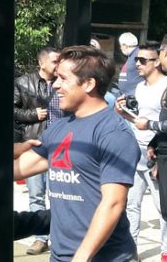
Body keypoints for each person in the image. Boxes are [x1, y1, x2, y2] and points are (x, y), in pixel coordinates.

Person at [14, 45, 140, 261]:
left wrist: (81, 257)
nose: (56, 86)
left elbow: (113, 203)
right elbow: (18, 169)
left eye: (63, 79)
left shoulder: (114, 132)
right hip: (61, 255)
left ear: (89, 84)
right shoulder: (60, 128)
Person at [115, 42, 167, 260]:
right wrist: (123, 113)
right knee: (131, 205)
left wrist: (159, 156)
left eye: (143, 60)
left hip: (158, 154)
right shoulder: (139, 87)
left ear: (157, 61)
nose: (137, 64)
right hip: (136, 152)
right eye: (136, 59)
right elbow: (140, 121)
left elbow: (159, 124)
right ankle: (132, 249)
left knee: (164, 209)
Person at [13, 46, 60, 255]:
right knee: (36, 194)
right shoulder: (24, 83)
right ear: (42, 63)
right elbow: (10, 109)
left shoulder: (65, 83)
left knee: (58, 194)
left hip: (60, 148)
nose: (58, 65)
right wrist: (32, 114)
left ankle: (58, 236)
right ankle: (41, 238)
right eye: (55, 61)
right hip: (35, 145)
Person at [118, 32, 142, 97]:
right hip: (127, 96)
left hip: (134, 96)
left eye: (121, 46)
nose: (120, 48)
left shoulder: (138, 54)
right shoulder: (132, 55)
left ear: (124, 45)